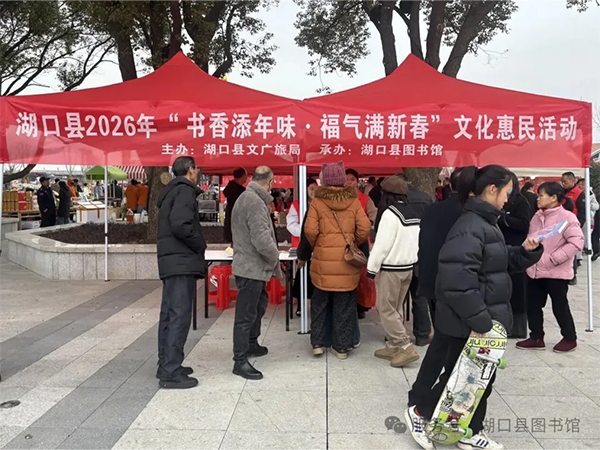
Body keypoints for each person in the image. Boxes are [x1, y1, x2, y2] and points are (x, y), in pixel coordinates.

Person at [406, 165, 542, 450]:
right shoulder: (471, 226)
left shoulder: (486, 223)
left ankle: (469, 431)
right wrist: (481, 322)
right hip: (470, 322)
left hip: (482, 318)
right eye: (507, 192)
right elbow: (457, 281)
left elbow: (498, 260)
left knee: (479, 382)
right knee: (462, 379)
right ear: (492, 189)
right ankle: (420, 412)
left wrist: (526, 252)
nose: (508, 199)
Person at [407, 167, 465, 408]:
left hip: (434, 282)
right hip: (458, 288)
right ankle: (432, 400)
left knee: (441, 342)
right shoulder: (468, 215)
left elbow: (424, 246)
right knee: (452, 345)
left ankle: (420, 394)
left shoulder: (433, 209)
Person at [304, 162, 371, 359]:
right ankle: (341, 348)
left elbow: (309, 230)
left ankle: (317, 343)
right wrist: (352, 241)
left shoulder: (317, 201)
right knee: (345, 305)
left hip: (323, 261)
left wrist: (319, 244)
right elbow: (365, 228)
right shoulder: (353, 200)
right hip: (346, 261)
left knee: (319, 303)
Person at [156, 156, 206, 389]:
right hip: (181, 260)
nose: (198, 172)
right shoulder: (185, 191)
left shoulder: (171, 191)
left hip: (172, 261)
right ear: (190, 170)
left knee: (169, 313)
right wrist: (199, 244)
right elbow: (181, 224)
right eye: (196, 169)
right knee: (179, 315)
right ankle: (170, 371)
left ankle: (166, 363)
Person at [516, 182, 584, 353]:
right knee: (533, 305)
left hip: (556, 272)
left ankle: (570, 338)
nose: (538, 198)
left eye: (541, 195)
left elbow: (576, 243)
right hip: (535, 269)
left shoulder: (567, 218)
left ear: (554, 197)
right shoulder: (536, 216)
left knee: (559, 306)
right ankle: (536, 337)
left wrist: (554, 259)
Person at [231, 166, 280, 380]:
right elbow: (262, 239)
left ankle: (251, 343)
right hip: (251, 267)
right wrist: (275, 256)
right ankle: (240, 360)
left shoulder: (246, 198)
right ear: (270, 181)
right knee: (246, 315)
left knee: (258, 306)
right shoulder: (255, 202)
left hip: (249, 266)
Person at [367, 176, 420, 368]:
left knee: (386, 308)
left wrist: (371, 268)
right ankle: (393, 346)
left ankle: (404, 346)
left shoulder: (390, 214)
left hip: (391, 269)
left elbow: (381, 246)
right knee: (396, 308)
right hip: (408, 267)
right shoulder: (413, 212)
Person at [396, 172, 434, 346]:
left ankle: (395, 333)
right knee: (419, 296)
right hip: (421, 251)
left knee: (396, 297)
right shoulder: (425, 198)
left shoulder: (392, 198)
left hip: (398, 252)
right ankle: (422, 334)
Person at [499, 173, 533, 338]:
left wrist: (504, 219)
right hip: (500, 248)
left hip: (516, 248)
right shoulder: (499, 200)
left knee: (517, 289)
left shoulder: (520, 202)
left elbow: (524, 225)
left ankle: (518, 328)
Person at [287, 178, 318, 316]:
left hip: (317, 248)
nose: (314, 192)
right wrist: (307, 230)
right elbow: (291, 224)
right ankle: (300, 305)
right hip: (301, 246)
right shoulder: (297, 205)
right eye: (311, 189)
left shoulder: (321, 203)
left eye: (316, 188)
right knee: (301, 276)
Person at [224, 168, 247, 244]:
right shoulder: (240, 191)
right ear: (243, 176)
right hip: (237, 220)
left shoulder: (230, 188)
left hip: (230, 218)